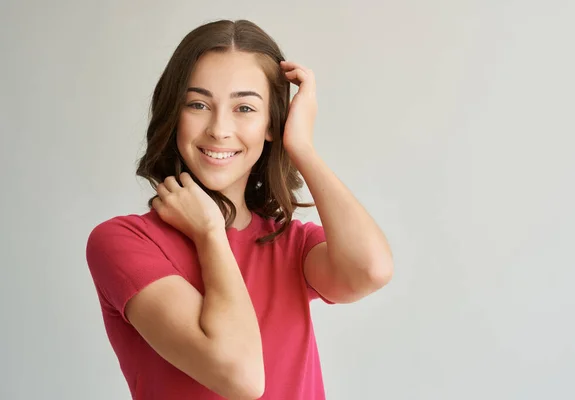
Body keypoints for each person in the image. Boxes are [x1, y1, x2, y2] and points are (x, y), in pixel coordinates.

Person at [86, 19, 394, 400]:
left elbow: (371, 270)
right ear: (174, 114)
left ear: (271, 124)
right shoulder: (124, 242)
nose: (219, 128)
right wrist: (211, 234)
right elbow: (240, 376)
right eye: (198, 104)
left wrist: (301, 147)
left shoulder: (290, 244)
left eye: (244, 108)